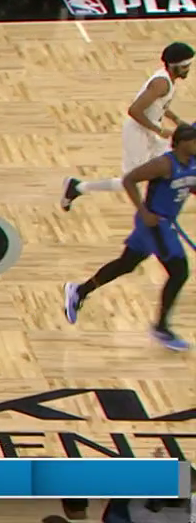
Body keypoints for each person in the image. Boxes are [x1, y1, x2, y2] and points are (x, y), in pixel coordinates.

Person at [63, 124, 196, 352]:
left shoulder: (191, 163)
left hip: (163, 223)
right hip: (154, 224)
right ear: (183, 142)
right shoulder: (164, 164)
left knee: (125, 264)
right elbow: (129, 180)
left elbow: (187, 185)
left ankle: (79, 291)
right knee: (179, 271)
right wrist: (143, 212)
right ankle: (161, 328)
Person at [62, 42, 192, 209]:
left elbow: (159, 105)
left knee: (174, 161)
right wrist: (159, 130)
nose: (188, 69)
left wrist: (176, 119)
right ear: (174, 66)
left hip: (150, 130)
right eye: (185, 66)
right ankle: (78, 187)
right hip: (138, 131)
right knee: (129, 180)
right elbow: (134, 110)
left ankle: (160, 201)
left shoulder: (167, 80)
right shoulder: (161, 83)